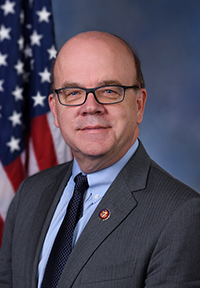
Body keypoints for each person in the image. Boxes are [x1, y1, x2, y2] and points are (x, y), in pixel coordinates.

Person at [0, 31, 200, 288]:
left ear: (139, 105)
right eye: (73, 92)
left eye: (108, 90)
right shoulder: (31, 193)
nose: (90, 106)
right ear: (55, 110)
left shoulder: (181, 215)